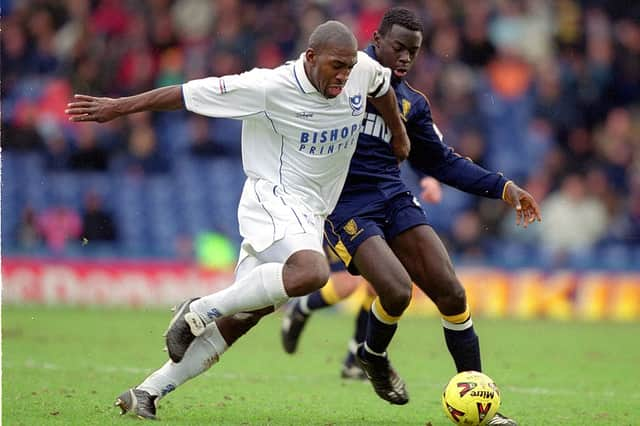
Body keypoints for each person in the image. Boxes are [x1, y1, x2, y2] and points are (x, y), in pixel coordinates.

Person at [66, 20, 410, 419]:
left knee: (244, 317)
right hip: (272, 199)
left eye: (349, 67)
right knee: (313, 272)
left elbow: (381, 88)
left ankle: (147, 392)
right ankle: (197, 309)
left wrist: (398, 134)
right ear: (311, 57)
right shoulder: (268, 86)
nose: (344, 75)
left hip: (312, 212)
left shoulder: (359, 72)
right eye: (336, 66)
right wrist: (118, 107)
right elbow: (186, 94)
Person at [280, 8, 540, 424]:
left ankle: (482, 408)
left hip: (393, 196)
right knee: (396, 291)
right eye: (398, 47)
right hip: (345, 204)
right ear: (377, 39)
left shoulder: (411, 103)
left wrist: (504, 187)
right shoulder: (339, 80)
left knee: (452, 293)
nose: (404, 58)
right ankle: (373, 356)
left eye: (413, 52)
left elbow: (442, 161)